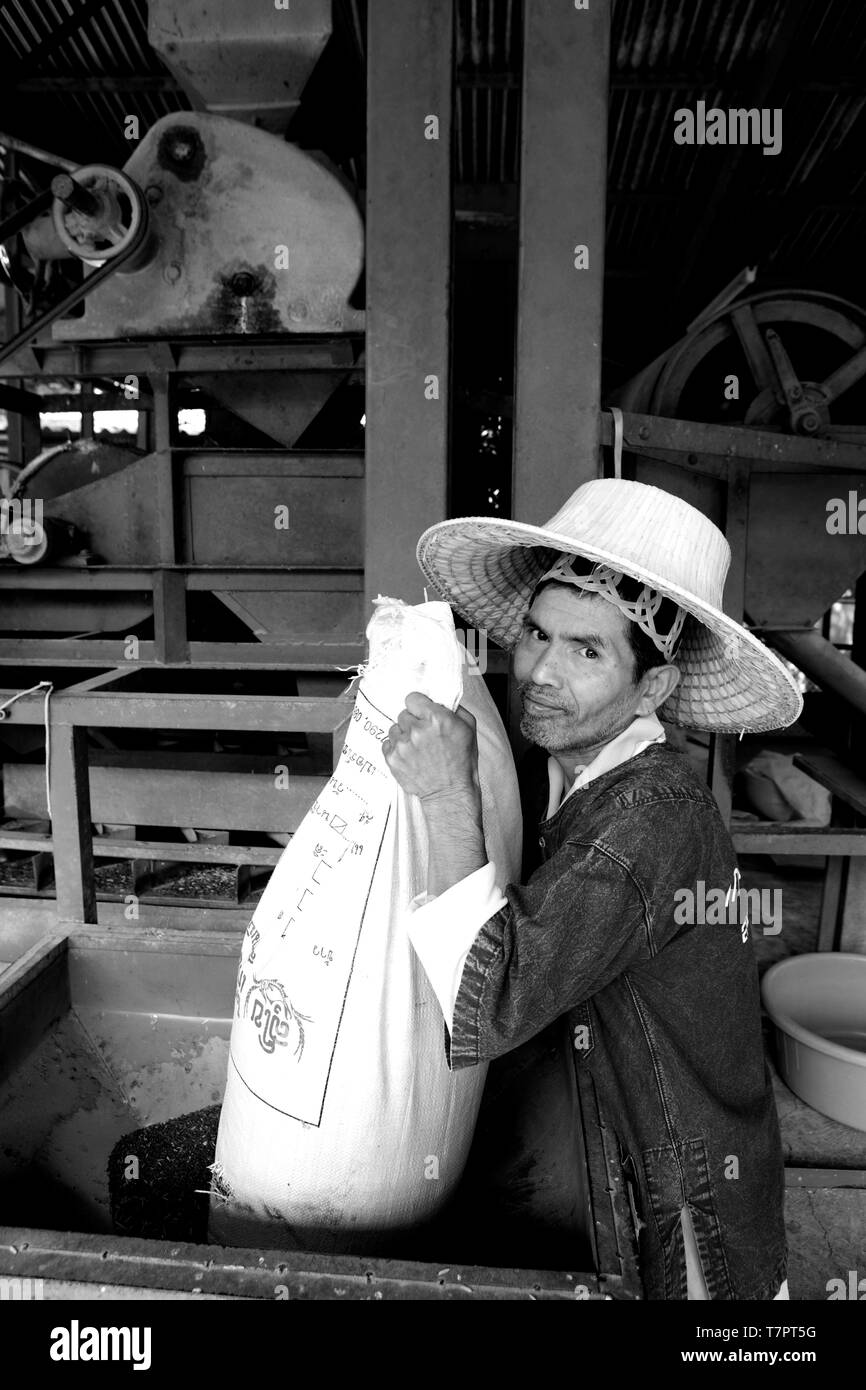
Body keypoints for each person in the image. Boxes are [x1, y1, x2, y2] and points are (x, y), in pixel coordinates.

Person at [382, 477, 802, 1300]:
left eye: (587, 651)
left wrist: (443, 796)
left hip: (692, 1211)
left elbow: (495, 999)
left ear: (653, 690)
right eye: (538, 635)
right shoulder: (577, 774)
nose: (539, 670)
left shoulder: (652, 818)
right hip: (649, 1148)